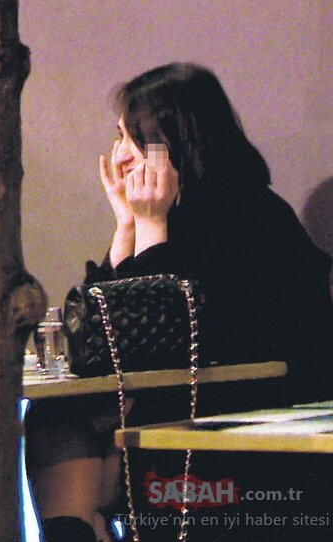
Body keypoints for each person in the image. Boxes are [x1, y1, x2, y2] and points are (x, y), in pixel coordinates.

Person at [28, 62, 333, 541]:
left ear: (172, 142)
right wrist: (126, 225)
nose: (120, 155)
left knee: (81, 424)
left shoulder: (247, 214)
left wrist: (150, 226)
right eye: (118, 137)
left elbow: (154, 345)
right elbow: (102, 338)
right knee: (55, 416)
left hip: (245, 408)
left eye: (133, 139)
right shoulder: (173, 212)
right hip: (181, 399)